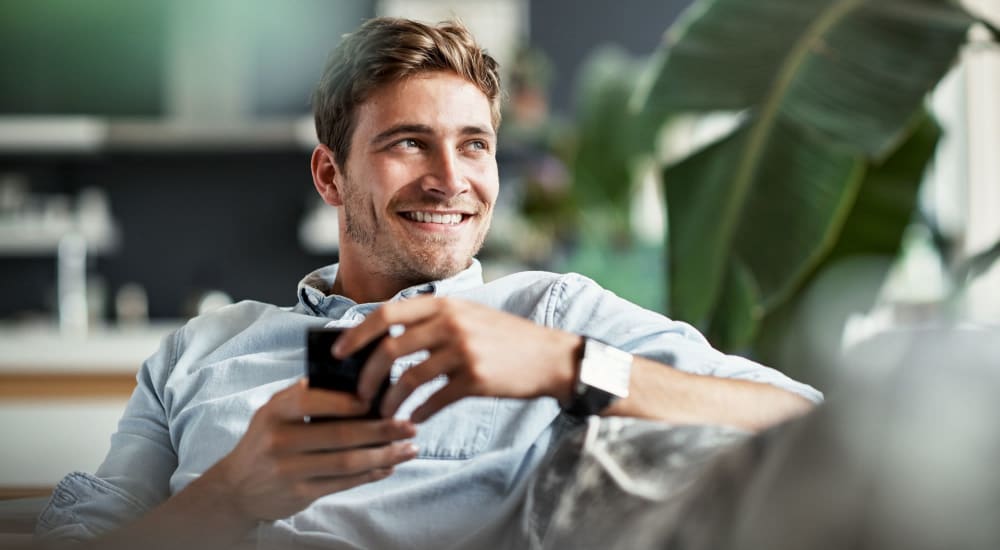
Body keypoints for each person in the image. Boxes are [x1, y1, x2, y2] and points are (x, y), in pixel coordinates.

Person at [35, 17, 820, 549]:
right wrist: (232, 495)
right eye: (410, 143)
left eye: (474, 145)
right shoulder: (198, 351)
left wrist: (568, 365)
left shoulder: (550, 313)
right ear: (330, 174)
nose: (452, 180)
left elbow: (802, 416)